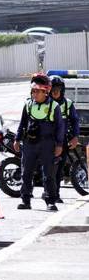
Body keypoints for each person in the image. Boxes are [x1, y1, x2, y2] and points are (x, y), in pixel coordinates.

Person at [14, 73, 64, 211]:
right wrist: (17, 139)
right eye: (33, 91)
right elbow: (22, 123)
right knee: (26, 172)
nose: (34, 94)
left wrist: (59, 145)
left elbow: (60, 127)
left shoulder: (54, 106)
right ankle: (25, 200)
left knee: (48, 174)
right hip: (29, 144)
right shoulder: (28, 105)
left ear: (45, 92)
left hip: (48, 145)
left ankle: (50, 201)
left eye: (37, 91)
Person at [49, 75, 80, 203]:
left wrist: (75, 137)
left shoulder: (68, 104)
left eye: (58, 88)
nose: (55, 91)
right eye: (53, 89)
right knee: (48, 169)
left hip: (62, 141)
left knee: (58, 169)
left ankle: (55, 195)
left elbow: (75, 121)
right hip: (46, 141)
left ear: (62, 89)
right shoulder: (44, 103)